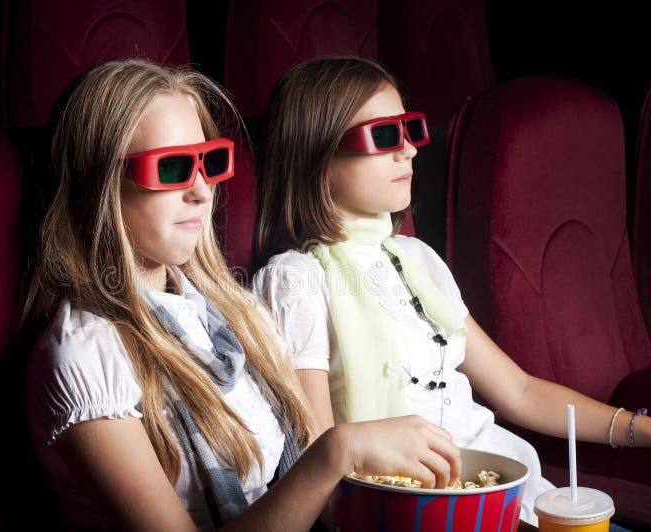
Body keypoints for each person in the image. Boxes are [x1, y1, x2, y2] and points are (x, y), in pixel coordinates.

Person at [20, 58, 462, 531]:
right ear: (100, 186)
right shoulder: (85, 355)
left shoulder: (237, 312)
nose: (201, 191)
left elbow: (319, 500)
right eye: (170, 168)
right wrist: (338, 451)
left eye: (208, 163)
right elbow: (320, 466)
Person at [251, 56, 651, 526]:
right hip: (422, 509)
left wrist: (638, 429)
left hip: (514, 490)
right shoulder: (295, 279)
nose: (409, 151)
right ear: (316, 153)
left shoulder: (417, 258)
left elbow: (518, 391)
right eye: (384, 136)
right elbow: (317, 459)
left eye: (410, 130)